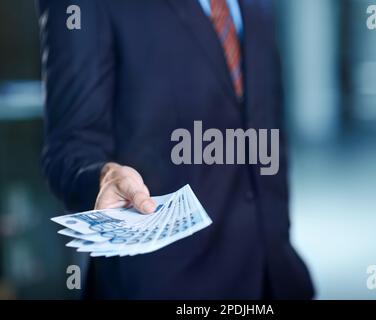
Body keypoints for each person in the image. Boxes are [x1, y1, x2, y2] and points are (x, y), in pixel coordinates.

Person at [37, 0, 314, 299]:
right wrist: (104, 176)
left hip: (272, 276)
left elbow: (265, 124)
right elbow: (70, 148)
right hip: (166, 284)